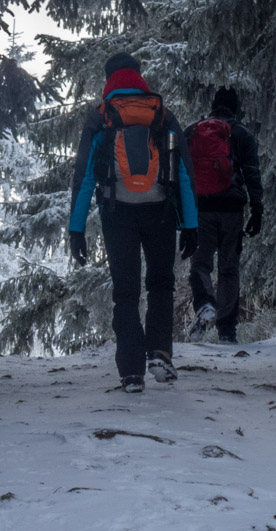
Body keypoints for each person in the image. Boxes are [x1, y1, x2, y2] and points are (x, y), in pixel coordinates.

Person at [68, 53, 199, 392]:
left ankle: (131, 373)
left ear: (108, 78)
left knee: (125, 292)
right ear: (139, 77)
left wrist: (76, 229)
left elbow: (83, 178)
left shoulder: (101, 116)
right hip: (161, 212)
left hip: (117, 213)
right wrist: (191, 224)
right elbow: (183, 172)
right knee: (161, 285)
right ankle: (159, 353)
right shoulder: (161, 113)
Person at [184, 86, 263, 343]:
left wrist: (182, 215)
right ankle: (227, 329)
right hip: (232, 209)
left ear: (213, 106)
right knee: (229, 268)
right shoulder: (241, 134)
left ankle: (205, 303)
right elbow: (252, 173)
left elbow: (181, 175)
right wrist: (257, 209)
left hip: (201, 209)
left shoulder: (193, 131)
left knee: (200, 263)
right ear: (235, 108)